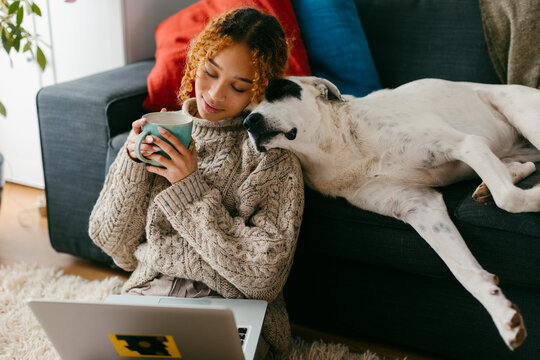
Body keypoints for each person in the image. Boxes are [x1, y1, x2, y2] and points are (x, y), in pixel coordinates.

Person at [88, 7, 304, 359]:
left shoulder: (273, 157)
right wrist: (131, 164)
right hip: (150, 295)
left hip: (230, 309)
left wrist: (189, 188)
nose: (215, 95)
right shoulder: (162, 133)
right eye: (209, 72)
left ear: (261, 90)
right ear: (196, 60)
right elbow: (114, 246)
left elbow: (263, 278)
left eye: (238, 86)